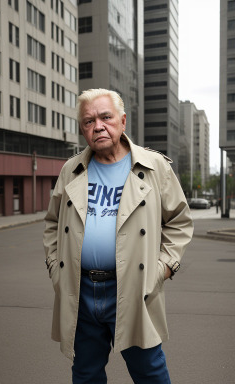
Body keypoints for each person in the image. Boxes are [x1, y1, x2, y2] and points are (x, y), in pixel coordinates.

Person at [43, 88, 193, 383]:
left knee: (149, 371)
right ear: (83, 130)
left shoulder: (154, 167)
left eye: (105, 117)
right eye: (88, 121)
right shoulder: (70, 170)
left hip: (133, 289)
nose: (97, 126)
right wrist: (55, 268)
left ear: (122, 121)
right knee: (85, 374)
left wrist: (162, 269)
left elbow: (179, 221)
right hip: (81, 289)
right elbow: (52, 224)